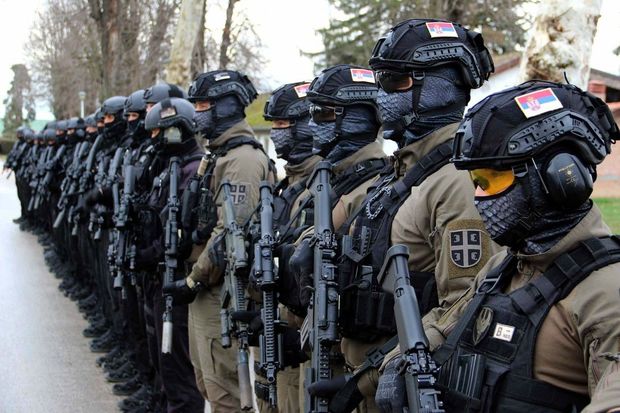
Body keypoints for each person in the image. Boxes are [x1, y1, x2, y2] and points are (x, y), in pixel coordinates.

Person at [376, 80, 620, 413]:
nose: (478, 197)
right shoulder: (504, 267)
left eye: (492, 180)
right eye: (477, 182)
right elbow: (445, 325)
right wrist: (396, 363)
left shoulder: (606, 293)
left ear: (561, 178)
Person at [318, 19, 498, 412]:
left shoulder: (457, 182)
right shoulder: (399, 173)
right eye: (380, 81)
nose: (381, 95)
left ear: (439, 88)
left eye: (394, 81)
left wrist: (366, 380)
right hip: (360, 375)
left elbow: (466, 308)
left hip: (399, 388)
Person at [165, 69, 275, 412]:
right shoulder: (219, 154)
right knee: (207, 382)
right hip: (206, 286)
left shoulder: (242, 160)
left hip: (223, 290)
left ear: (225, 106)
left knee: (225, 390)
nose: (196, 113)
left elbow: (232, 233)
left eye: (203, 105)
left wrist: (193, 279)